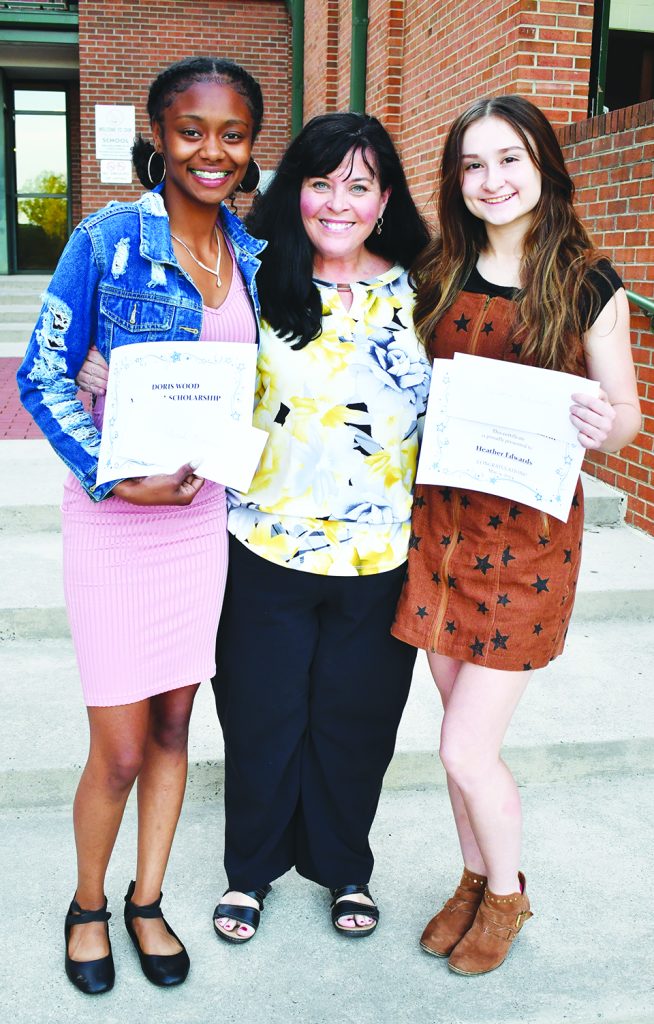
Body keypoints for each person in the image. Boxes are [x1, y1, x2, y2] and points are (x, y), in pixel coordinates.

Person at [17, 56, 265, 993]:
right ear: (160, 136)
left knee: (173, 724)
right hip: (118, 523)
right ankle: (87, 903)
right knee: (118, 747)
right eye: (192, 130)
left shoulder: (254, 257)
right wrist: (113, 477)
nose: (213, 150)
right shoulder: (106, 237)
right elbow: (43, 373)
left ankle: (146, 899)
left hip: (199, 524)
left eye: (232, 133)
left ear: (251, 146)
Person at [391, 94, 641, 975]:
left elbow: (626, 422)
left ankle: (506, 896)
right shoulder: (435, 272)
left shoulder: (587, 284)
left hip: (526, 549)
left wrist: (593, 422)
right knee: (453, 739)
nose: (491, 180)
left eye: (510, 160)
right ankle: (471, 878)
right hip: (441, 536)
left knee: (466, 745)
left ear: (543, 168)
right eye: (473, 164)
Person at [209, 112, 431, 943]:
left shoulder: (424, 287)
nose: (338, 202)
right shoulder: (252, 278)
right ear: (292, 188)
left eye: (360, 185)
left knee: (357, 720)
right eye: (321, 181)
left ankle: (345, 868)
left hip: (382, 553)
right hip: (264, 541)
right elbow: (185, 358)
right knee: (261, 716)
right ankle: (251, 872)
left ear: (384, 200)